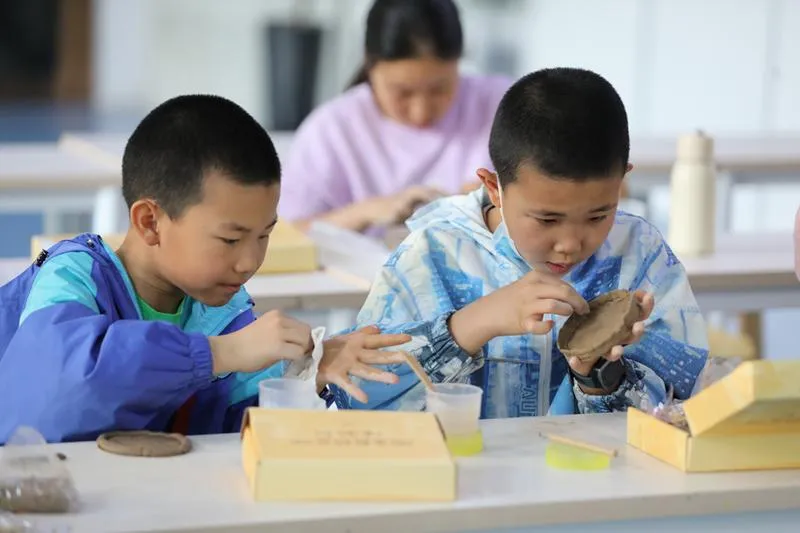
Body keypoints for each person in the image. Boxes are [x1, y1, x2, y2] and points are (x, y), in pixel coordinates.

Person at [0, 94, 409, 444]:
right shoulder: (73, 276)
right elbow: (54, 399)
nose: (250, 262)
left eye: (264, 235)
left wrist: (304, 376)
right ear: (150, 222)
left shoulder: (220, 311)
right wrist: (218, 354)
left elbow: (223, 428)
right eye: (230, 239)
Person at [331, 68, 709, 417]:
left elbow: (677, 407)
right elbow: (358, 397)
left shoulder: (640, 254)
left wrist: (598, 375)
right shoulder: (431, 255)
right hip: (459, 467)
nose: (569, 244)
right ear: (494, 188)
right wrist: (472, 324)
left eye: (598, 216)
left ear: (621, 181)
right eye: (547, 219)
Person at [279, 0, 511, 233]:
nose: (420, 111)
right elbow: (285, 233)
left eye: (439, 89)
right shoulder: (332, 129)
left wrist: (501, 202)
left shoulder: (504, 104)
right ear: (370, 65)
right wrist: (364, 213)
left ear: (459, 60)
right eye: (403, 93)